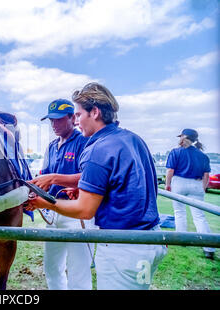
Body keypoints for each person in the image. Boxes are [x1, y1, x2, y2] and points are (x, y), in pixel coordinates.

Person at [26, 82, 167, 290]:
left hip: (124, 245)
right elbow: (127, 182)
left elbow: (85, 209)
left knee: (79, 270)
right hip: (150, 238)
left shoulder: (97, 147)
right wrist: (84, 187)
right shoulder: (133, 139)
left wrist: (43, 203)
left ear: (95, 112)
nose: (77, 121)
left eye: (79, 114)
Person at [37, 98, 94, 290]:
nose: (54, 124)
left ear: (72, 118)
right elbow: (44, 177)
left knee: (79, 270)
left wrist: (53, 179)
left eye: (59, 119)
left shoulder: (84, 141)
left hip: (77, 211)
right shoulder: (52, 146)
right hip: (52, 211)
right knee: (52, 267)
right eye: (51, 120)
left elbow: (90, 176)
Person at [165, 129, 215, 259]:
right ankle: (209, 248)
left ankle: (182, 240)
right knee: (199, 216)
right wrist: (203, 188)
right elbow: (206, 175)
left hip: (179, 183)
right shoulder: (202, 155)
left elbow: (170, 170)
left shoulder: (175, 152)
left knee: (179, 213)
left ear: (183, 137)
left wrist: (167, 184)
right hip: (196, 184)